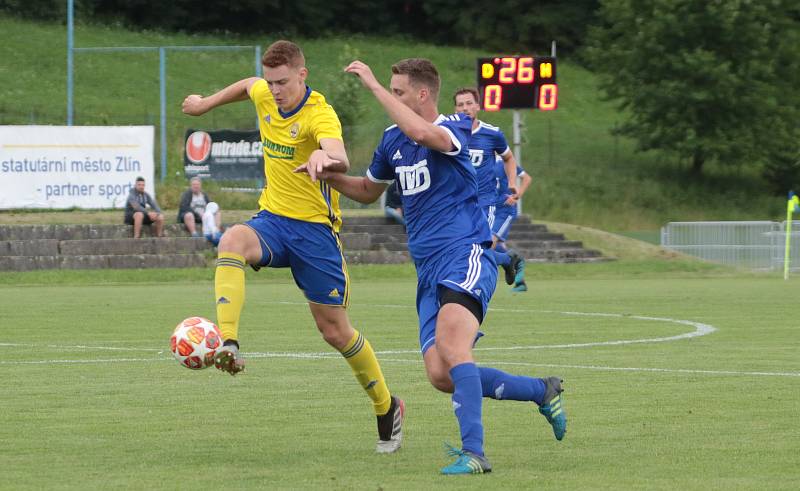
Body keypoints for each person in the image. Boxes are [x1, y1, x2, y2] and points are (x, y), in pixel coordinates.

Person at [298, 58, 566, 475]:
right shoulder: (391, 141)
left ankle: (474, 453)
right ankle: (540, 391)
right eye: (391, 89)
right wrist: (322, 176)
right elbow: (369, 191)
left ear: (423, 94)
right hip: (427, 271)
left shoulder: (456, 128)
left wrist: (372, 85)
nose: (393, 95)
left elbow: (421, 131)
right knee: (442, 375)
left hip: (465, 255)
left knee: (453, 348)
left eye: (399, 90)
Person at [181, 40, 404, 454]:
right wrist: (204, 104)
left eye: (283, 81)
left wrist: (326, 159)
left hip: (316, 233)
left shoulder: (320, 113)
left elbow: (336, 150)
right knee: (230, 239)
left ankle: (387, 406)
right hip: (272, 221)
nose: (275, 89)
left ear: (302, 75)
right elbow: (248, 85)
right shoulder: (264, 91)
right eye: (272, 81)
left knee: (335, 332)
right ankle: (228, 342)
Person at [453, 87, 526, 288]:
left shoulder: (491, 134)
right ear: (455, 109)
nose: (465, 108)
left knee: (479, 248)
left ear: (478, 106)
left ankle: (471, 289)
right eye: (460, 105)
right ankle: (507, 259)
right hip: (457, 204)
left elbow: (509, 158)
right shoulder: (447, 132)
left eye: (469, 103)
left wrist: (512, 182)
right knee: (461, 249)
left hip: (485, 203)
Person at [493, 156, 532, 291]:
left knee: (489, 245)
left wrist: (517, 195)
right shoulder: (480, 160)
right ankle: (516, 272)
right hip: (488, 210)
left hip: (504, 211)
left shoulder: (504, 162)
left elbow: (526, 178)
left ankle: (509, 262)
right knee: (485, 246)